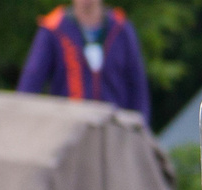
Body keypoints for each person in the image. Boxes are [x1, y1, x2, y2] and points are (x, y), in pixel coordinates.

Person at [17, 0, 149, 114]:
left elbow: (138, 87)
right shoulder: (53, 29)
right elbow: (30, 86)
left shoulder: (121, 29)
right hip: (69, 128)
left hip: (114, 129)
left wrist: (139, 131)